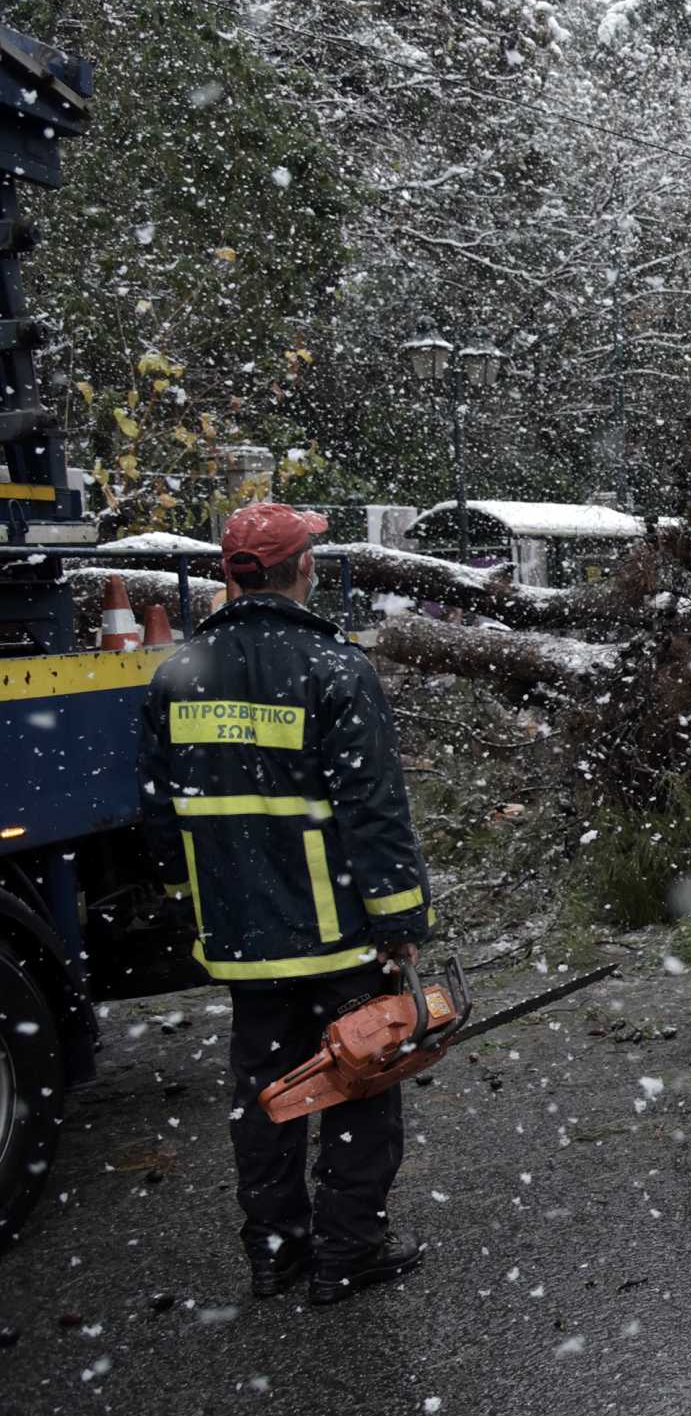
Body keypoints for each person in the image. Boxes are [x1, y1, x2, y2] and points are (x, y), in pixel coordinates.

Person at [137, 503, 437, 1306]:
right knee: (357, 1089)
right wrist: (402, 924)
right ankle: (347, 1255)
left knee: (266, 1095)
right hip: (336, 934)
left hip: (241, 938)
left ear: (229, 575)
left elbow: (161, 815)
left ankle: (276, 1255)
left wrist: (184, 898)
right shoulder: (335, 671)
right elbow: (375, 815)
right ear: (301, 569)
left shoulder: (177, 675)